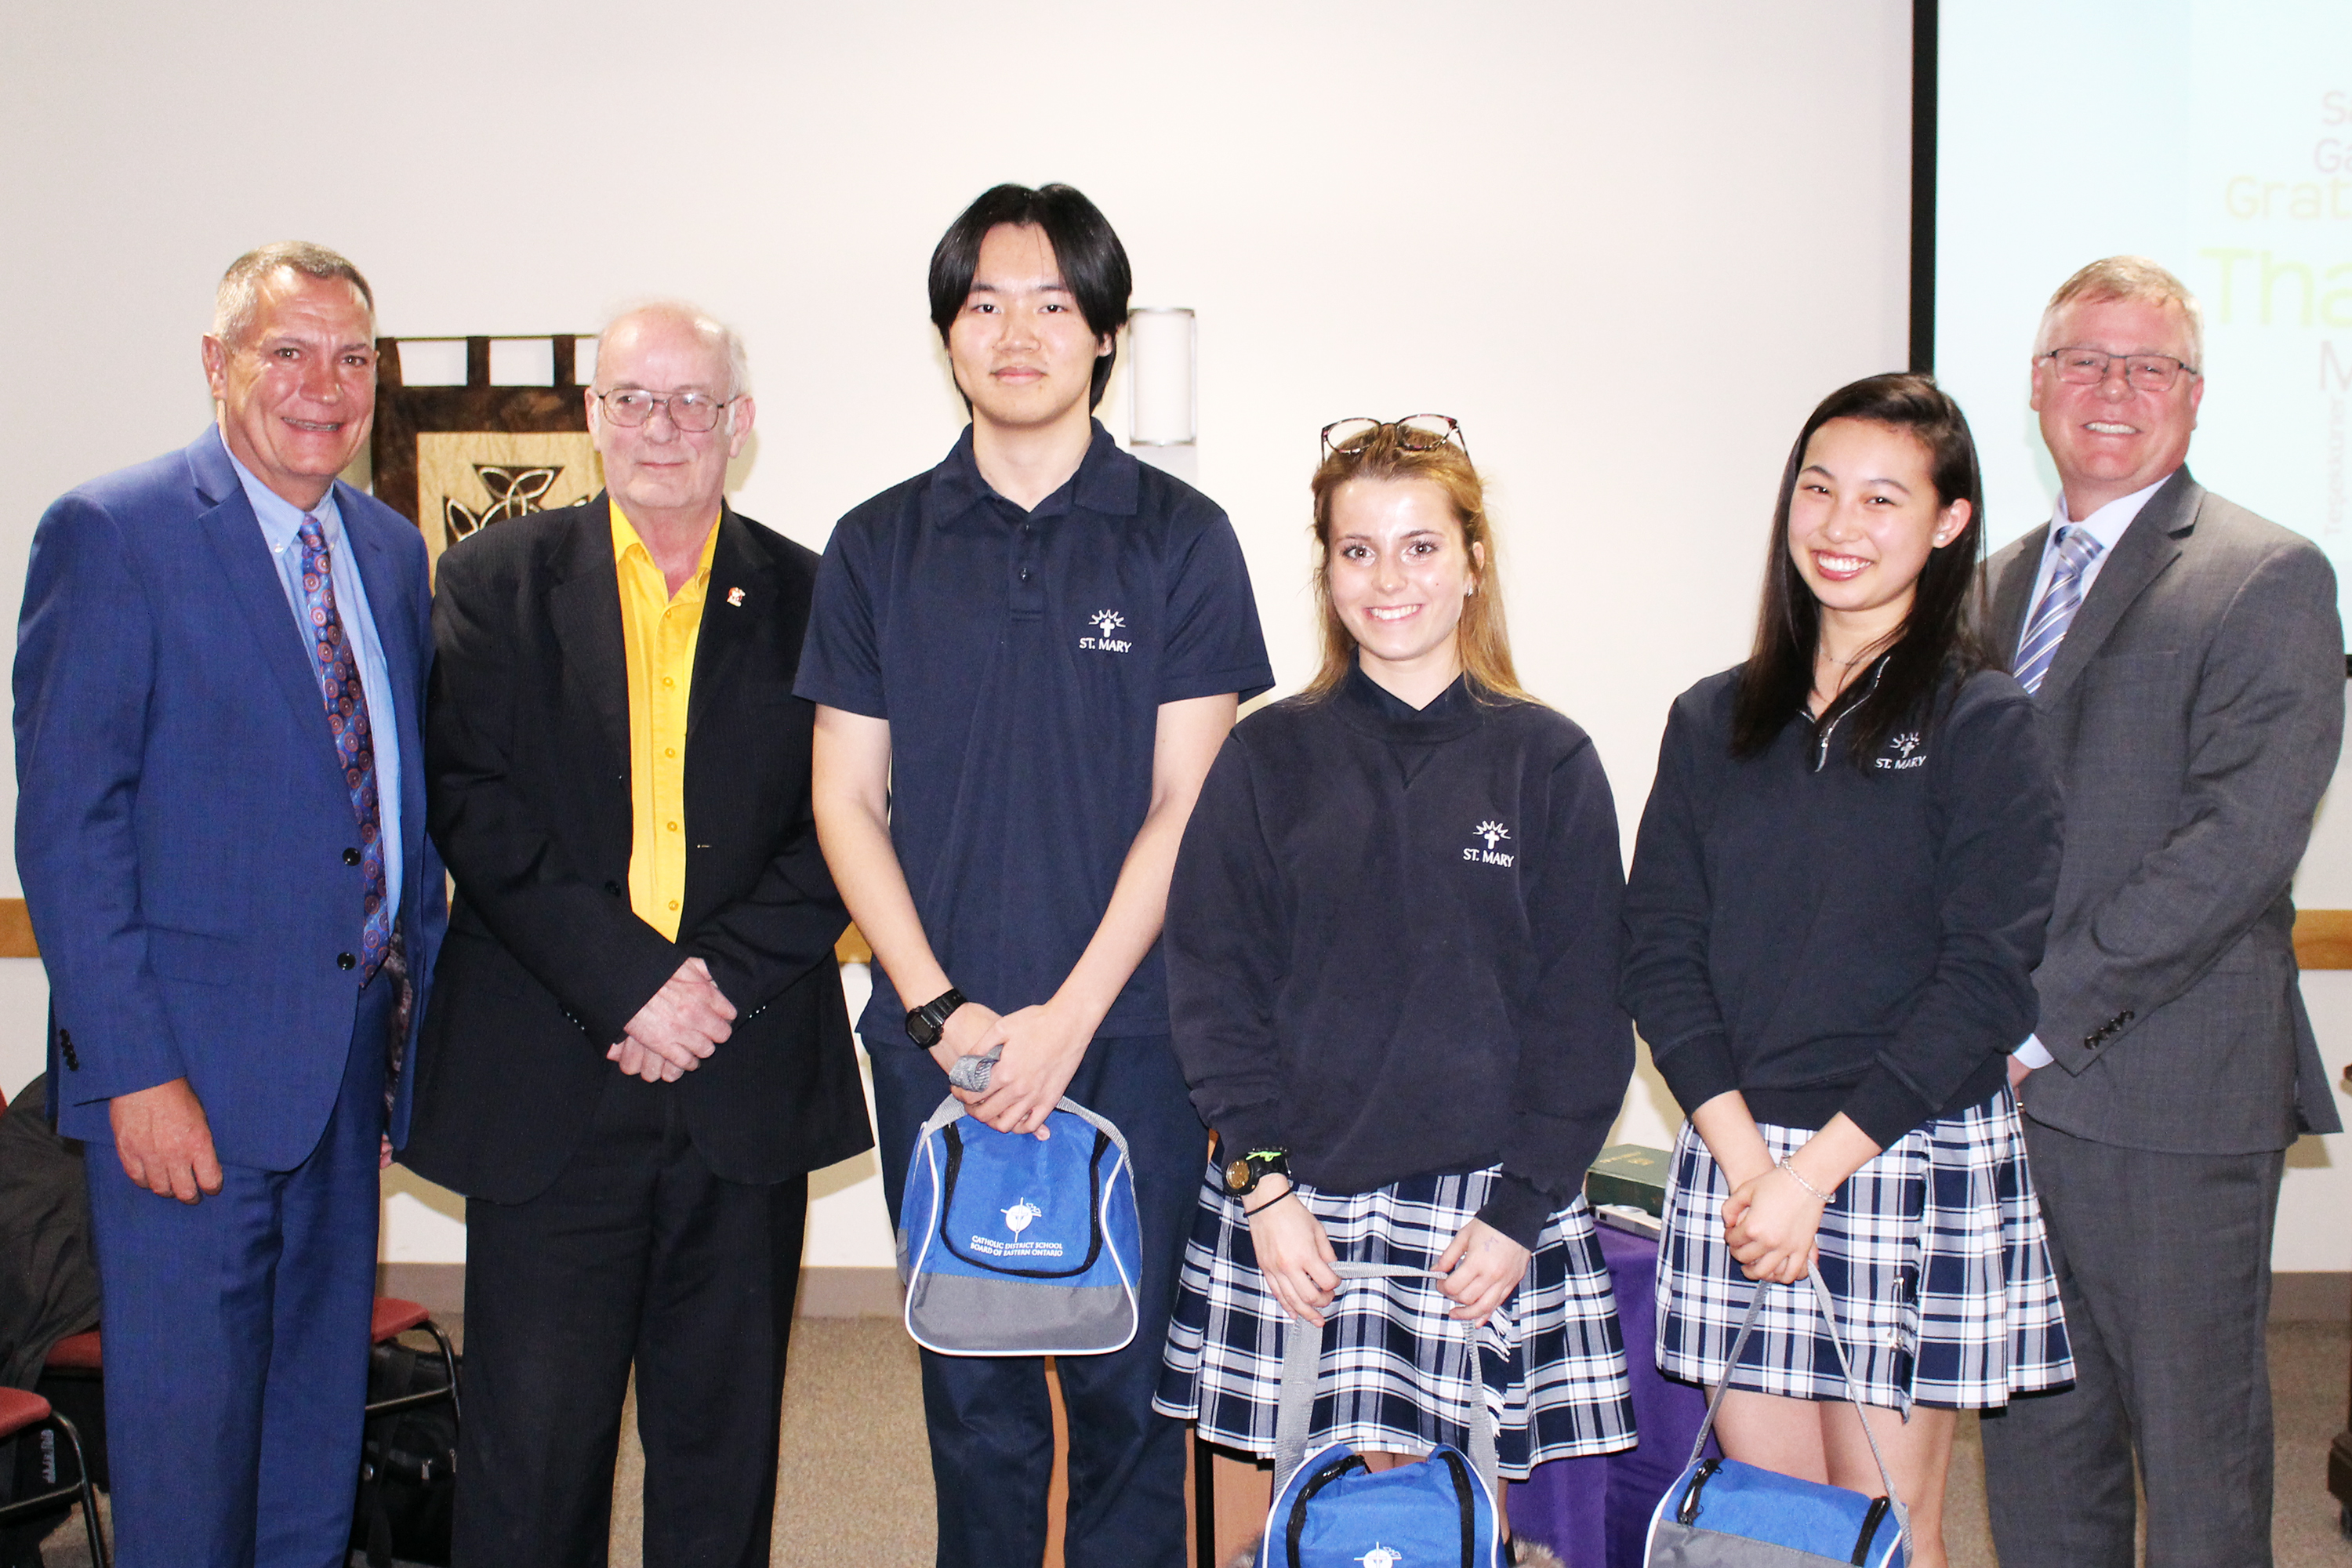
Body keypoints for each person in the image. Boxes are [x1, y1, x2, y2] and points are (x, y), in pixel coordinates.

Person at [799, 183, 1273, 1568]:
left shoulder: (1183, 538)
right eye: (985, 304)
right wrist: (942, 1009)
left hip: (1128, 1039)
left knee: (1131, 1397)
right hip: (936, 1043)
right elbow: (845, 798)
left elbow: (1188, 802)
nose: (1018, 332)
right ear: (949, 335)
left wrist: (1065, 1021)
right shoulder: (876, 544)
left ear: (1107, 335)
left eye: (1054, 304)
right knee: (974, 1388)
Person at [401, 302, 871, 1566]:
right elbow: (472, 805)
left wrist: (701, 988)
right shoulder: (494, 581)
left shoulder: (818, 597)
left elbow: (848, 823)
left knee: (720, 1464)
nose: (665, 428)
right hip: (550, 1087)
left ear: (742, 423)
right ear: (593, 416)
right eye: (636, 400)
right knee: (531, 1463)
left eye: (694, 403)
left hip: (745, 1069)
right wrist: (631, 987)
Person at [13, 241, 445, 1566]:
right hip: (183, 1093)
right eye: (288, 351)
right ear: (218, 364)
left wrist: (396, 1058)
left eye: (354, 359)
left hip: (339, 1080)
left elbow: (386, 812)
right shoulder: (115, 533)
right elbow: (70, 834)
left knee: (312, 1442)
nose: (324, 386)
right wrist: (134, 1075)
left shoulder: (383, 551)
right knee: (191, 1458)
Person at [1156, 417, 1637, 1547]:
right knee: (1305, 1527)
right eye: (1357, 549)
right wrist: (1263, 1189)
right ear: (1325, 569)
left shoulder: (1548, 760)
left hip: (1486, 1217)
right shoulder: (1268, 755)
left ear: (1474, 562)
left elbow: (1587, 1015)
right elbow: (1212, 991)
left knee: (1450, 1527)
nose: (1389, 578)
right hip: (1296, 1208)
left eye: (1421, 546)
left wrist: (1521, 1215)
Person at [1621, 373, 2071, 1568]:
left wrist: (1813, 1176)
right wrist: (1752, 1169)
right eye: (1818, 490)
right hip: (1742, 1161)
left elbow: (1986, 985)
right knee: (1771, 1525)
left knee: (1891, 1523)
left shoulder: (1981, 719)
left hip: (1897, 1153)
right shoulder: (1712, 719)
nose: (1839, 525)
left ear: (1948, 522)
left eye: (1883, 498)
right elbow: (1659, 954)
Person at [1974, 258, 2344, 1568]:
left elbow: (2234, 849)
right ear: (2036, 386)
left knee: (2197, 1467)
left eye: (2150, 366)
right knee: (2034, 1453)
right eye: (2085, 359)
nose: (2113, 389)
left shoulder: (2267, 575)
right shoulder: (1991, 587)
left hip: (2171, 1096)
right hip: (2005, 1109)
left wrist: (2027, 1020)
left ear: (2194, 398)